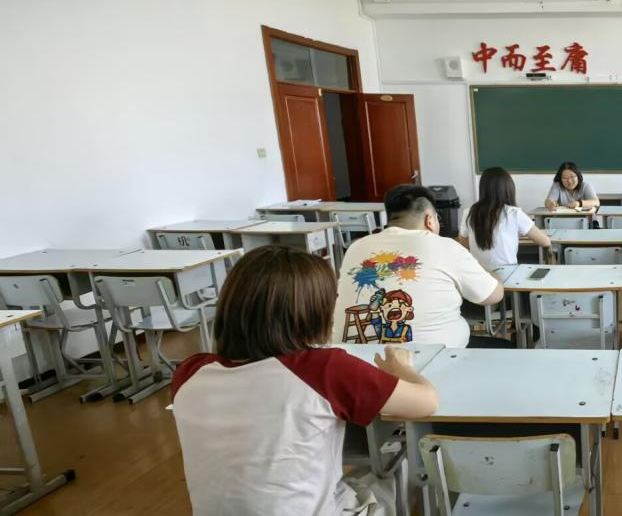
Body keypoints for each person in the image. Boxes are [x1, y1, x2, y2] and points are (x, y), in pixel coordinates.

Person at [172, 246, 439, 516]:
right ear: (312, 313)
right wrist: (401, 368)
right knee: (392, 476)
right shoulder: (324, 369)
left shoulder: (189, 373)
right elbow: (426, 402)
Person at [333, 184, 506, 348]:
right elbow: (493, 295)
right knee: (504, 347)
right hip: (434, 360)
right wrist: (490, 271)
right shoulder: (446, 246)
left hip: (352, 359)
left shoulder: (356, 247)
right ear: (429, 220)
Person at [460, 167, 552, 271]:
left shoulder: (468, 212)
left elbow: (464, 244)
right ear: (508, 188)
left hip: (479, 273)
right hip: (507, 274)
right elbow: (545, 242)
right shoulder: (513, 213)